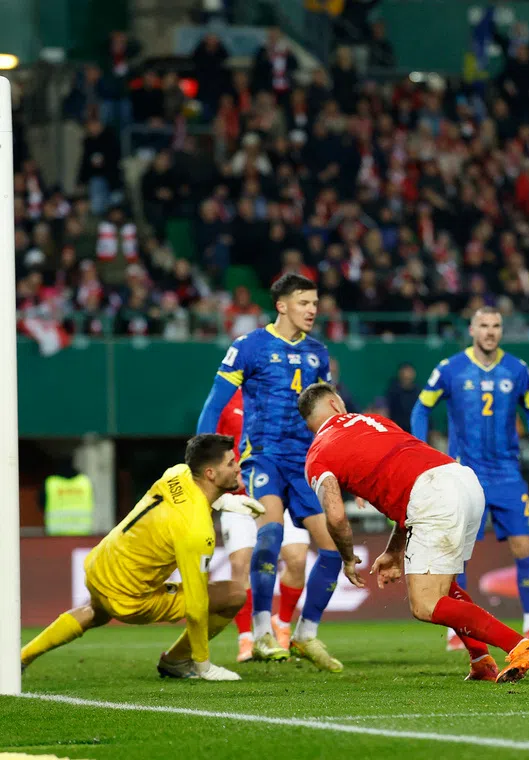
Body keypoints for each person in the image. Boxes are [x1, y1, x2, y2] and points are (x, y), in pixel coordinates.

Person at [298, 384, 529, 684]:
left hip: (433, 496)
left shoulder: (317, 454)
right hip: (462, 479)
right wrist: (394, 550)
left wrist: (347, 557)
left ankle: (521, 645)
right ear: (335, 404)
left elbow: (336, 515)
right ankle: (481, 660)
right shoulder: (374, 421)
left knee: (426, 604)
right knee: (445, 586)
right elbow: (412, 478)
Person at [196, 274, 344, 672]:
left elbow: (326, 415)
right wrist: (200, 462)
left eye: (315, 303)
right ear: (281, 305)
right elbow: (214, 406)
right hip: (263, 457)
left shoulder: (317, 352)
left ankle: (305, 634)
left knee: (333, 549)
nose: (312, 309)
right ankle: (261, 632)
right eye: (303, 302)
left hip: (306, 463)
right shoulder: (249, 346)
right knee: (272, 533)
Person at [21, 435, 260, 681]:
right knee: (233, 594)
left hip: (100, 565)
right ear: (210, 473)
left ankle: (22, 657)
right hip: (129, 600)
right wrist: (204, 663)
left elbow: (192, 492)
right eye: (231, 463)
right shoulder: (197, 530)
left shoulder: (176, 473)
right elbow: (197, 606)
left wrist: (223, 501)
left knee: (94, 611)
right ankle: (177, 661)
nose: (237, 467)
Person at [410, 307, 529, 648]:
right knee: (456, 553)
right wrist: (421, 452)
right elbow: (422, 407)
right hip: (464, 475)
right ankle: (456, 627)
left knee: (523, 547)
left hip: (507, 473)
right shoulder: (451, 369)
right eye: (484, 326)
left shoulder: (517, 369)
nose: (490, 332)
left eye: (496, 326)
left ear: (501, 331)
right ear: (472, 330)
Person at [215, 389, 312, 663]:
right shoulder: (225, 401)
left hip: (280, 495)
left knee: (297, 558)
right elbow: (213, 446)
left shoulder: (287, 398)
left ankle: (281, 624)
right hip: (239, 499)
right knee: (240, 564)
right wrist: (231, 476)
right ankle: (246, 638)